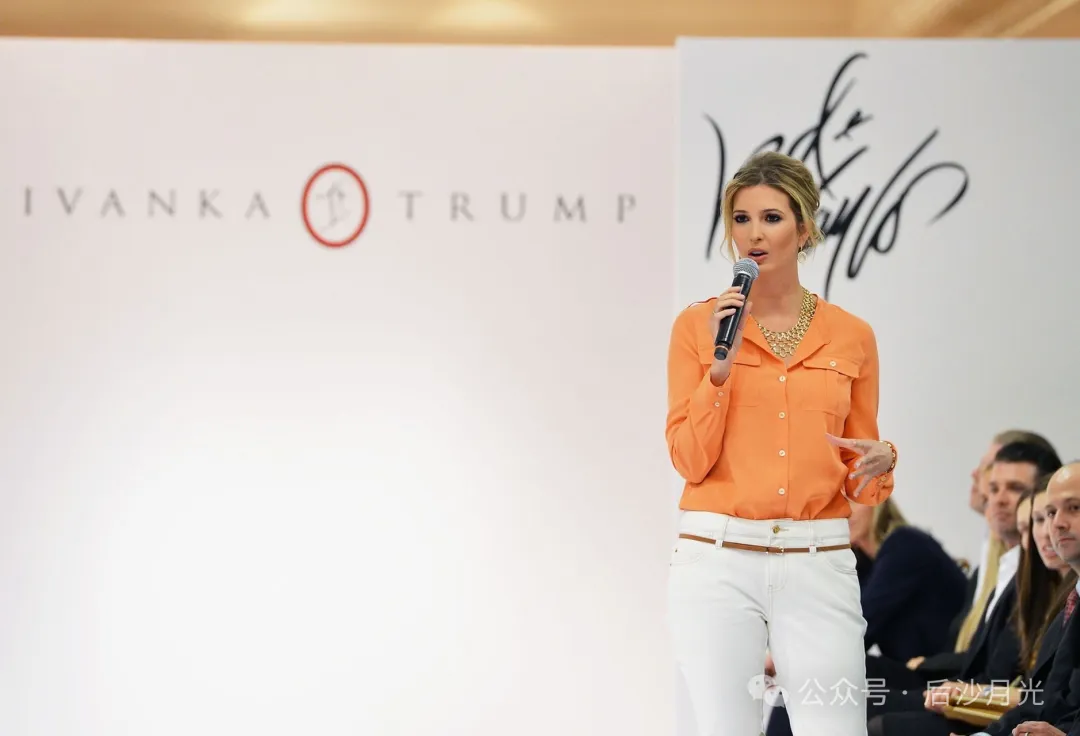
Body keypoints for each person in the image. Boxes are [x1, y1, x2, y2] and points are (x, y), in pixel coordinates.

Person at [665, 150, 897, 736]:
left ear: (805, 227)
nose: (754, 234)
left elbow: (861, 478)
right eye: (741, 219)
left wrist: (883, 459)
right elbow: (689, 460)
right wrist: (718, 374)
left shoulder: (852, 335)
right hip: (716, 556)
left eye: (771, 218)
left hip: (817, 559)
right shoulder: (698, 327)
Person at [966, 462, 1080, 736]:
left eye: (1074, 507)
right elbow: (1039, 701)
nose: (1057, 523)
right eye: (1050, 513)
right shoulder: (1070, 602)